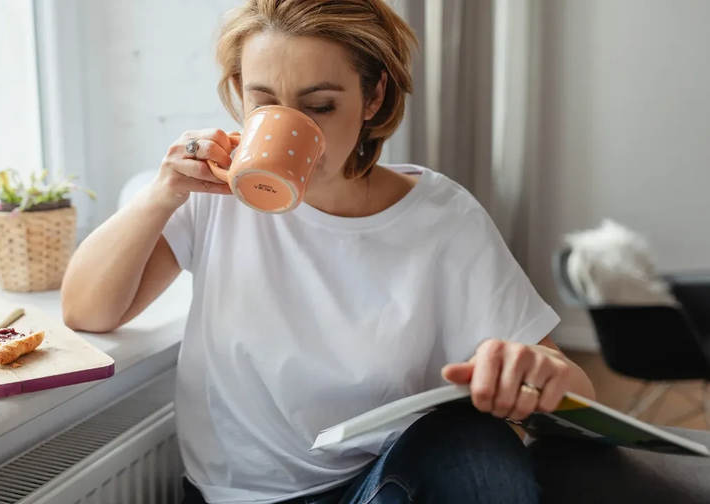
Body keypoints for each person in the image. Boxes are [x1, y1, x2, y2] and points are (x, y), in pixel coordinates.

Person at [61, 1, 596, 502]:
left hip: (381, 484)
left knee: (473, 442)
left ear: (374, 98)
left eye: (319, 106)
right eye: (263, 101)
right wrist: (162, 195)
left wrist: (538, 373)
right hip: (242, 496)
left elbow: (578, 394)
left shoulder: (441, 217)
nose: (291, 126)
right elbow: (88, 310)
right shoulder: (212, 198)